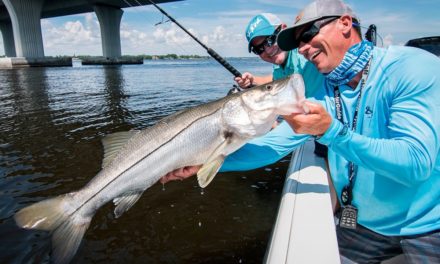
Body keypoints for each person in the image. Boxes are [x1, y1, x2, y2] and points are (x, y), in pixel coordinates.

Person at [162, 0, 440, 262]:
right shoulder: (323, 93)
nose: (304, 48)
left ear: (345, 23)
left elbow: (415, 164)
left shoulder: (411, 67)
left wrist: (331, 132)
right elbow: (273, 146)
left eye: (308, 35)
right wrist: (206, 162)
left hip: (428, 226)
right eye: (299, 43)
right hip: (364, 226)